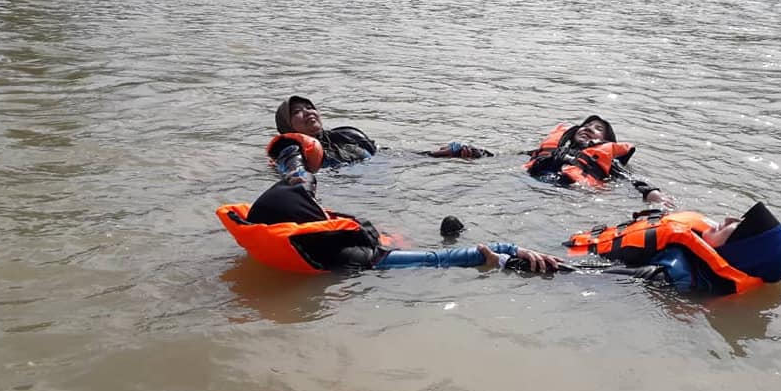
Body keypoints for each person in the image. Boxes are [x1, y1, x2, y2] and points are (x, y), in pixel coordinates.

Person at [218, 135, 562, 275]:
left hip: (383, 242)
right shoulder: (352, 254)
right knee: (448, 237)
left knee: (448, 231)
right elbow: (436, 260)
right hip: (399, 256)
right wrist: (505, 252)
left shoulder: (306, 244)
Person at [564, 202, 781, 295]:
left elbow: (599, 274)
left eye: (736, 227)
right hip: (585, 241)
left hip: (576, 253)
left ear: (735, 252)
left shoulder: (673, 275)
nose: (727, 218)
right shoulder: (699, 239)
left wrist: (555, 265)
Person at [273, 95, 492, 168]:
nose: (308, 112)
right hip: (349, 192)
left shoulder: (345, 136)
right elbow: (295, 177)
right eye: (297, 111)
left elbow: (387, 155)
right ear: (287, 126)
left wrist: (442, 154)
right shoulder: (290, 152)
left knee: (469, 154)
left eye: (309, 107)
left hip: (380, 176)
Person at [525, 115, 673, 207]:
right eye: (586, 126)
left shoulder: (606, 161)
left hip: (570, 197)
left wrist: (650, 192)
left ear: (606, 141)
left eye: (598, 128)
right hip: (532, 187)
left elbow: (629, 179)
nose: (588, 129)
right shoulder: (552, 150)